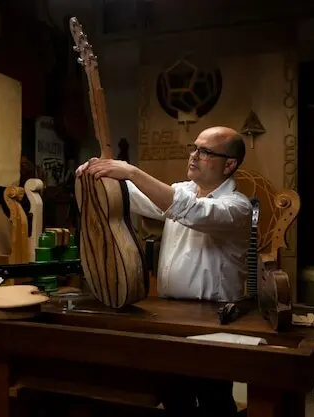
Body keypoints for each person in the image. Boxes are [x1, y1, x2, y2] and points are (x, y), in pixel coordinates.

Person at [76, 126, 251, 416]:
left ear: (229, 165)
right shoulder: (182, 190)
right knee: (174, 395)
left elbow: (189, 210)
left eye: (205, 152)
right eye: (194, 148)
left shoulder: (237, 206)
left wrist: (131, 172)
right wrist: (97, 173)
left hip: (213, 320)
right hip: (170, 314)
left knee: (214, 398)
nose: (194, 156)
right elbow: (132, 196)